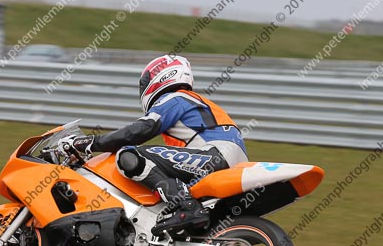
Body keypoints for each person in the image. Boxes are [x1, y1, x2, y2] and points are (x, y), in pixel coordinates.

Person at [57, 55, 248, 235]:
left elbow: (140, 130)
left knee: (129, 156)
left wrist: (91, 143)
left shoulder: (175, 98)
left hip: (216, 155)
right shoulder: (191, 101)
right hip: (225, 159)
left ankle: (187, 207)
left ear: (162, 75)